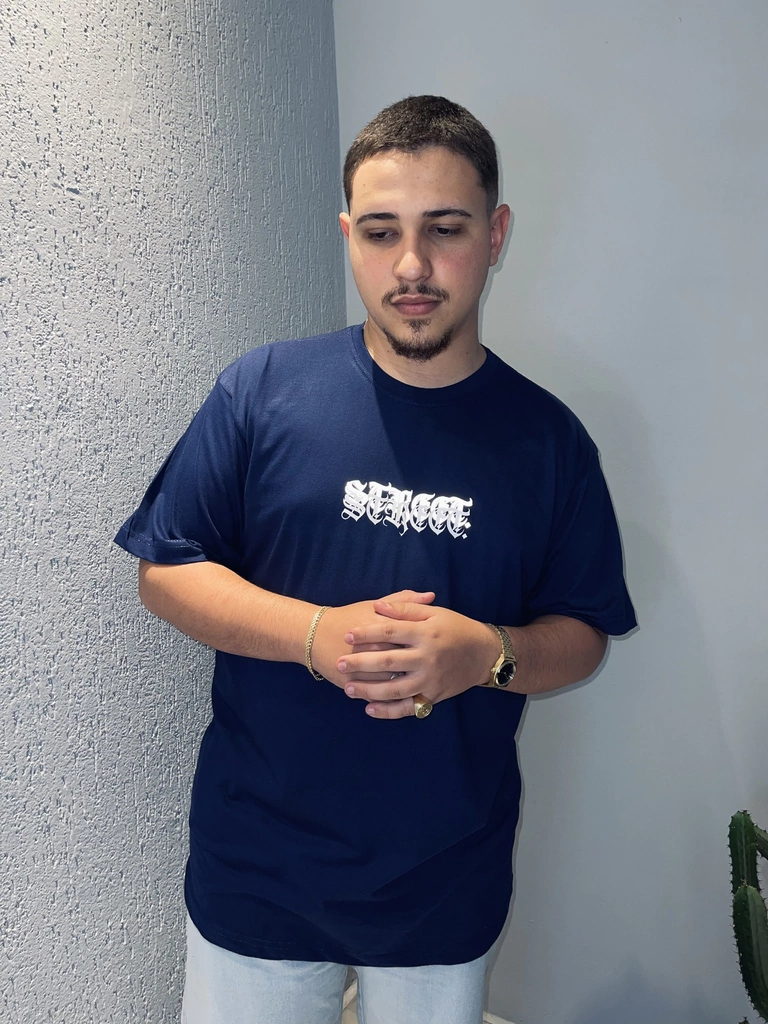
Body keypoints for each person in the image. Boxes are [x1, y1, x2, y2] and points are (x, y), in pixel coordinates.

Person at [115, 95, 636, 1024]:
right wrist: (314, 634)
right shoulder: (261, 391)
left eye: (446, 229)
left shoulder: (549, 442)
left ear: (495, 235)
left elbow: (584, 633)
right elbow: (167, 569)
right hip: (257, 871)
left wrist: (488, 654)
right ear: (349, 235)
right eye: (383, 231)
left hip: (444, 880)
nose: (412, 266)